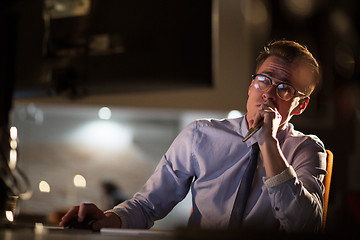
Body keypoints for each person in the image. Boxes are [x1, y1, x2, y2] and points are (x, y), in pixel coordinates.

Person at [59, 40, 327, 233]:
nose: (268, 93)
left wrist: (268, 142)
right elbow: (148, 205)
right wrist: (106, 219)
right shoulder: (201, 135)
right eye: (264, 80)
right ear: (251, 85)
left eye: (285, 89)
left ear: (300, 105)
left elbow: (305, 226)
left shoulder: (307, 150)